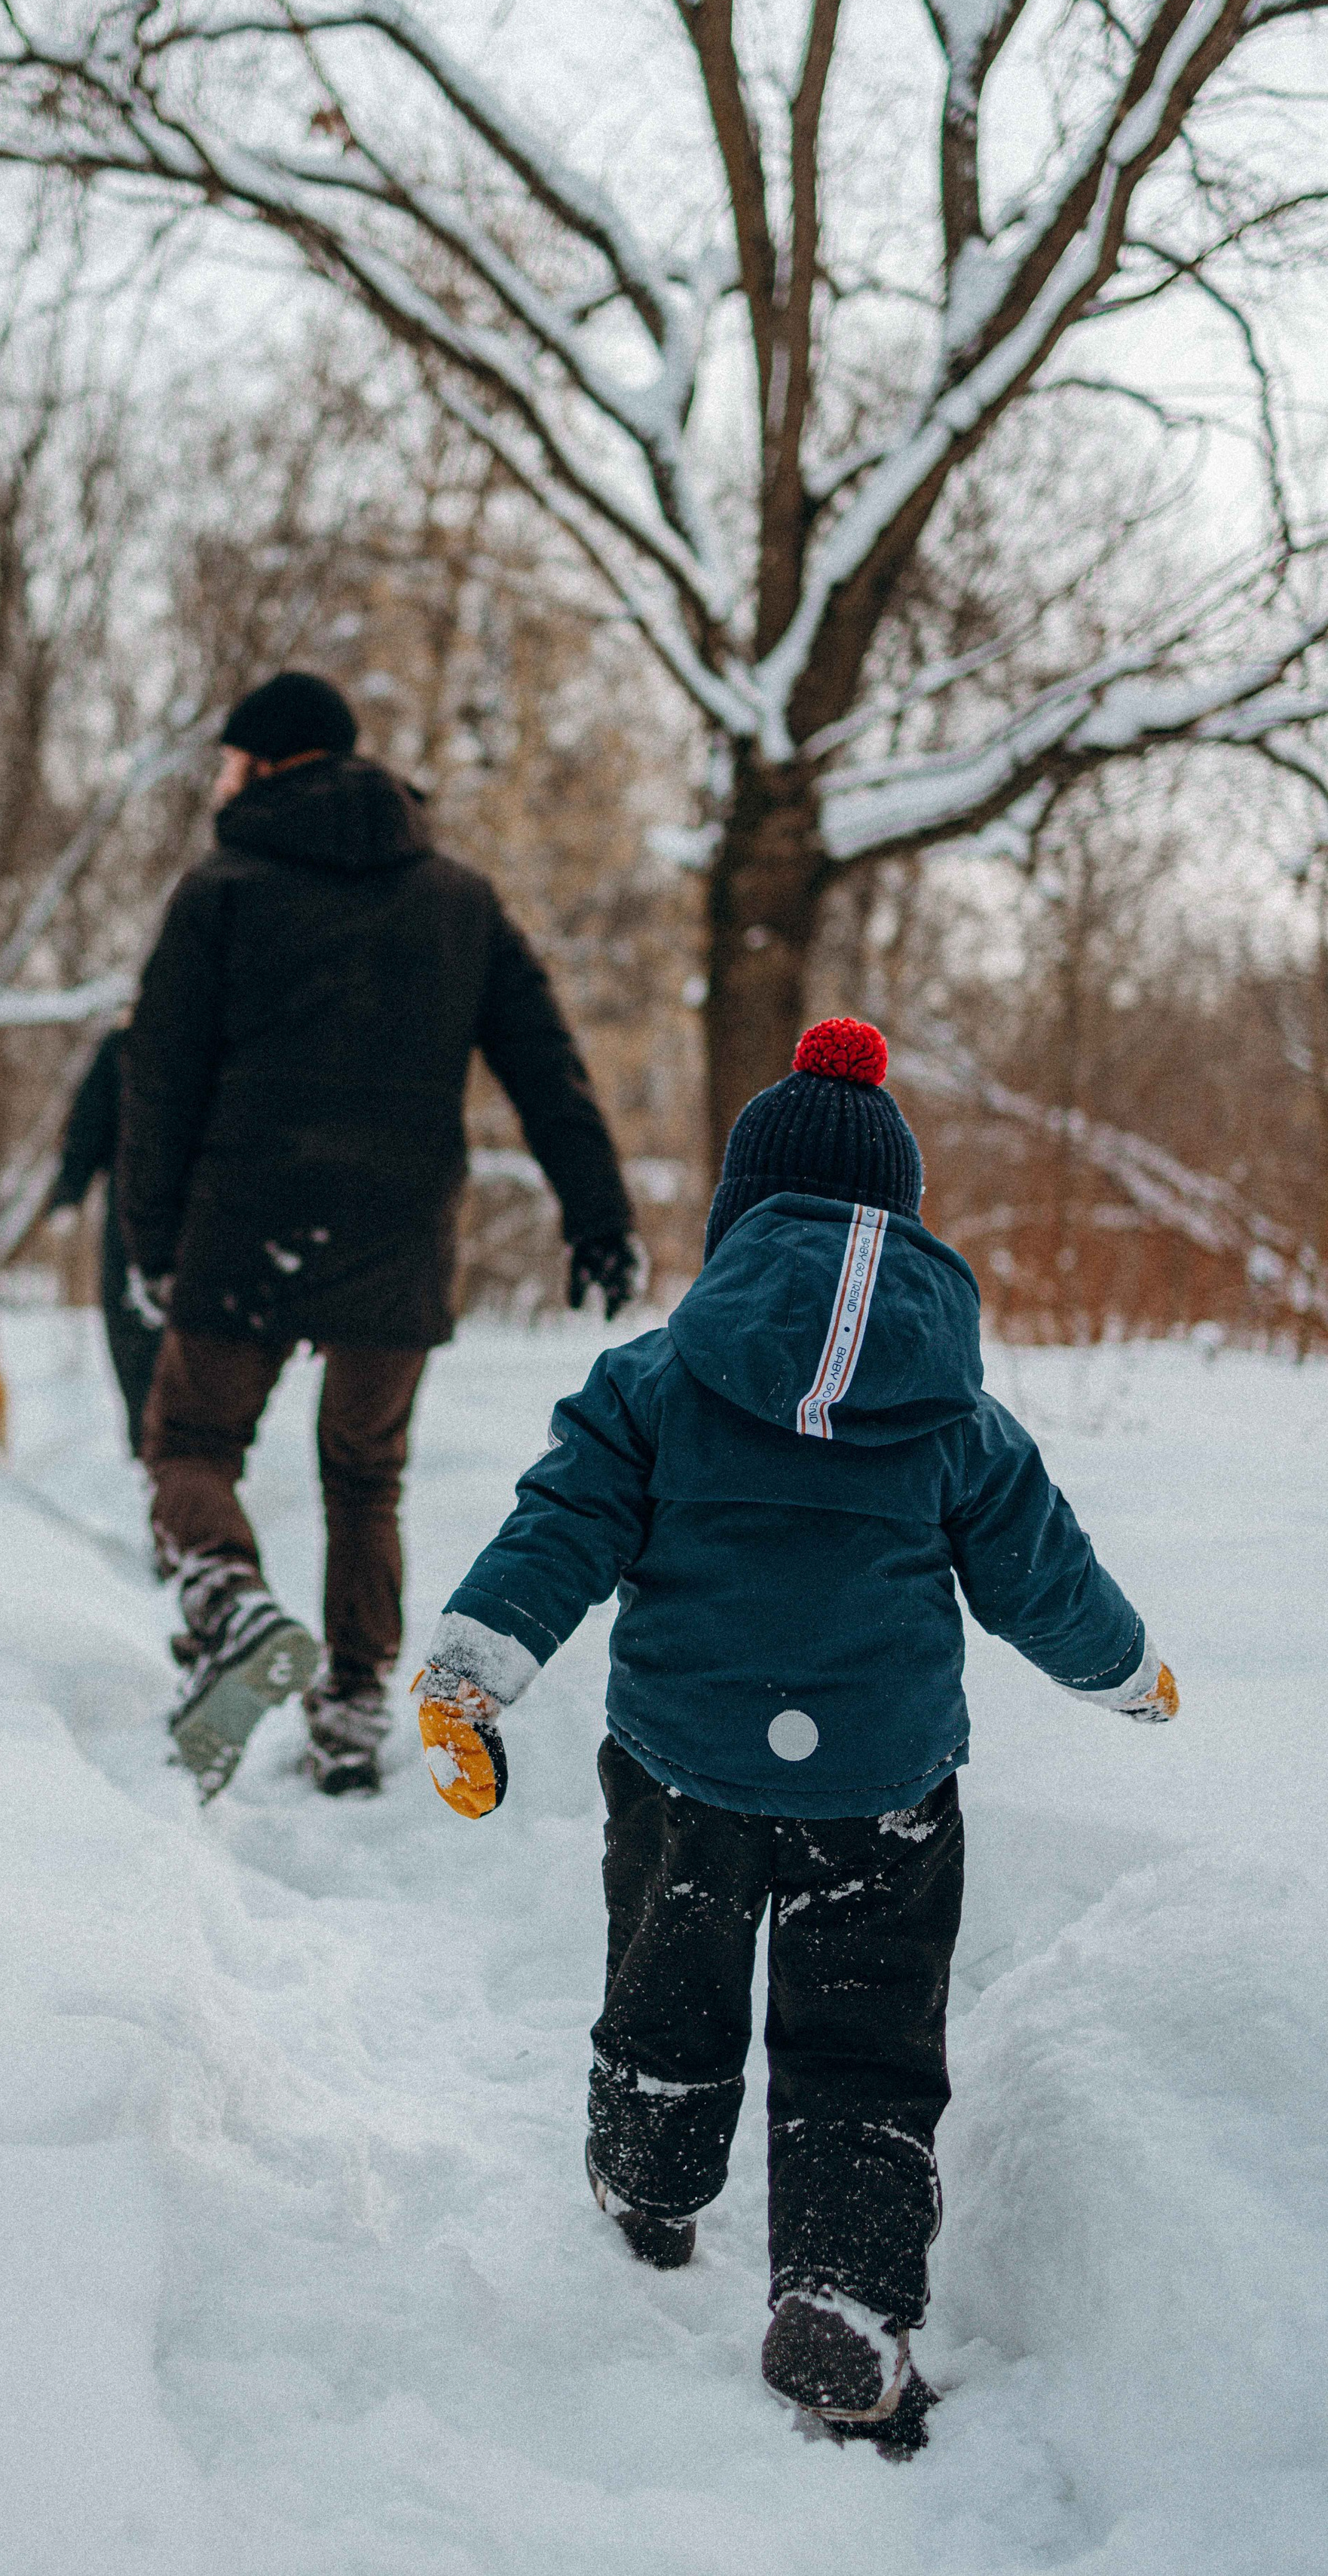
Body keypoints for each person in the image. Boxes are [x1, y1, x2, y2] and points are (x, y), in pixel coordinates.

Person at [409, 1015, 1179, 2455]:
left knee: (669, 1969)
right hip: (883, 1790)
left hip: (683, 1765)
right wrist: (1127, 1670)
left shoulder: (651, 1379)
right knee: (867, 2042)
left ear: (739, 1218)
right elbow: (1043, 1577)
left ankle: (647, 2174)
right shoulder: (960, 1415)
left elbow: (559, 1527)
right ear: (903, 1218)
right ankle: (848, 2295)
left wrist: (474, 1667)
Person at [118, 668, 639, 1801]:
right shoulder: (458, 898)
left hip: (245, 1222)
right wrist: (598, 1217)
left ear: (263, 762)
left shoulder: (222, 888)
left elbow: (155, 1078)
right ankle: (352, 1706)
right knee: (365, 1478)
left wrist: (153, 1237)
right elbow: (545, 1067)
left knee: (192, 1445)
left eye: (229, 758)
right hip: (397, 1234)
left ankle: (231, 1602)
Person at [44, 1029, 162, 1457]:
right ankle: (155, 1444)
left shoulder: (128, 1045)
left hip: (139, 1206)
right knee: (141, 1322)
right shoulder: (126, 1046)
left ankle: (153, 1443)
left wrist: (70, 1188)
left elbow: (87, 1124)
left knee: (133, 1318)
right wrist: (69, 1188)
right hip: (179, 1204)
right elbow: (90, 1121)